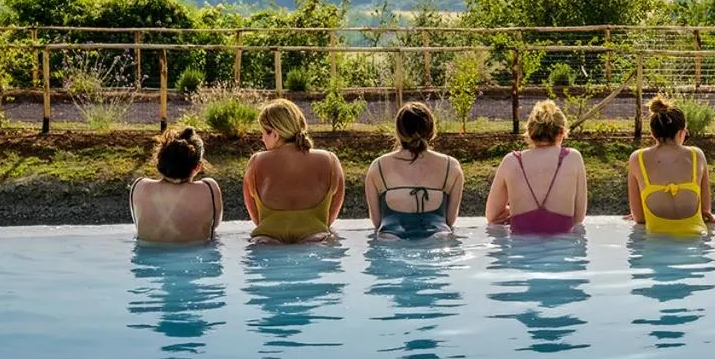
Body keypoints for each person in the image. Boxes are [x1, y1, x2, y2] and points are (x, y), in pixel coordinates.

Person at [243, 99, 344, 243]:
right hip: (316, 238)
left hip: (266, 240)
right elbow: (330, 217)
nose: (262, 138)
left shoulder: (256, 162)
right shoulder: (330, 160)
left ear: (275, 134)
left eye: (264, 132)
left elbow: (257, 218)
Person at [486, 99, 587, 235]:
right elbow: (579, 217)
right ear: (562, 132)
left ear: (530, 131)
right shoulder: (573, 158)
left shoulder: (511, 161)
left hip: (521, 248)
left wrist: (517, 210)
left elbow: (492, 216)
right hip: (562, 248)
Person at [365, 102, 463, 239]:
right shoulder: (451, 166)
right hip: (438, 239)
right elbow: (450, 220)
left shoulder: (378, 167)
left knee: (386, 238)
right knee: (443, 237)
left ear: (399, 131)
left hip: (391, 239)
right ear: (431, 130)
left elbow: (376, 222)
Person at [627, 96, 715, 236]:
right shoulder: (697, 155)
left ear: (652, 133)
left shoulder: (637, 159)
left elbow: (639, 218)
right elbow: (706, 211)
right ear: (682, 132)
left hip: (656, 243)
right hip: (695, 241)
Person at [129, 126, 223, 243]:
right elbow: (215, 225)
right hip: (195, 257)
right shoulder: (210, 188)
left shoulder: (139, 186)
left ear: (159, 163)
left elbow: (138, 224)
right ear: (197, 167)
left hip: (149, 258)